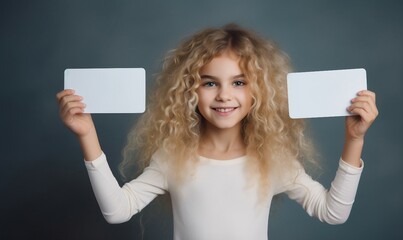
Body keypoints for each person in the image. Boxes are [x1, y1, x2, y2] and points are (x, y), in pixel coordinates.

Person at [56, 24, 378, 240]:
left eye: (238, 82)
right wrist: (87, 134)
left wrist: (355, 139)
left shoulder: (273, 160)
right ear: (189, 90)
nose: (224, 95)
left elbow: (332, 213)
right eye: (210, 82)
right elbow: (117, 211)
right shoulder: (173, 157)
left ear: (258, 92)